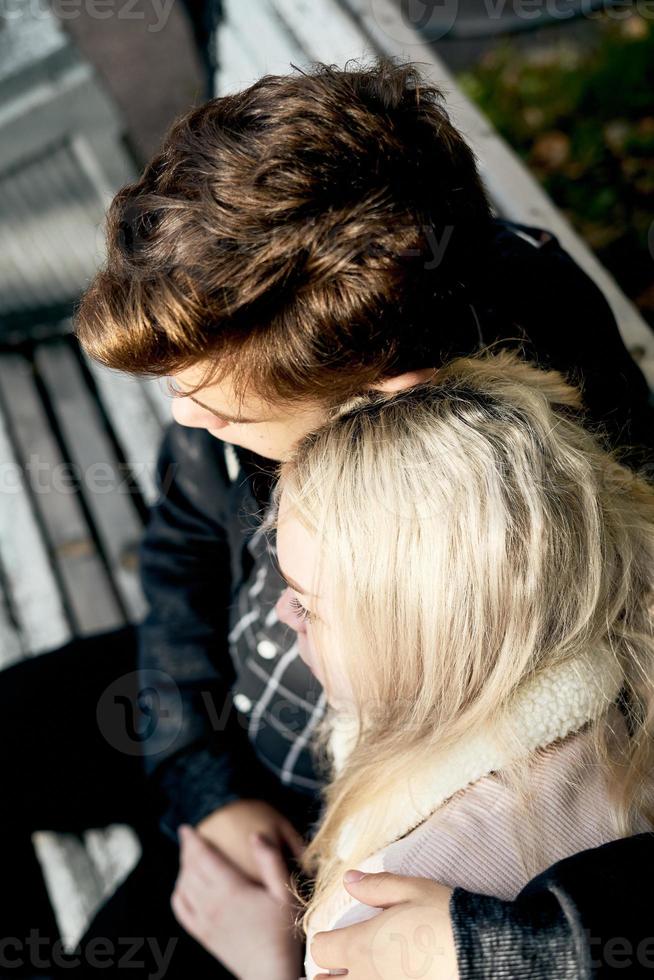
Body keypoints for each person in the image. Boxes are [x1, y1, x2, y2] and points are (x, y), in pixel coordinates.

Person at [2, 59, 652, 977]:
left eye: (220, 412)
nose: (188, 420)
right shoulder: (256, 330)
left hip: (328, 817)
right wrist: (197, 770)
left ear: (390, 405)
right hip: (223, 708)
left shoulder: (531, 474)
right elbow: (187, 541)